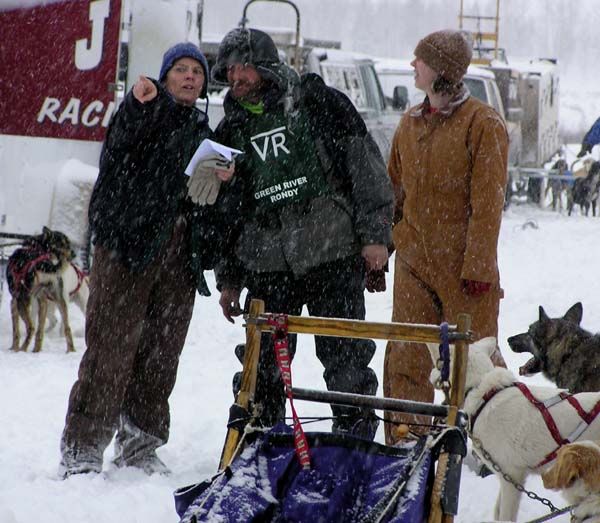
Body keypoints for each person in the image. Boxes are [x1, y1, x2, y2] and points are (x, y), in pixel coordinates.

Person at [59, 42, 234, 477]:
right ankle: (82, 446)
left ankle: (141, 443)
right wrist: (140, 103)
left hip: (177, 256)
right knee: (110, 351)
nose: (190, 77)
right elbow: (122, 141)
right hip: (128, 250)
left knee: (161, 355)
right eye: (181, 70)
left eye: (197, 71)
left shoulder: (203, 131)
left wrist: (221, 179)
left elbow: (204, 202)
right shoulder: (143, 108)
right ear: (165, 76)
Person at [212, 28, 393, 439]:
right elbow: (228, 214)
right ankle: (257, 447)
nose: (236, 77)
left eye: (245, 67)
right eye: (230, 70)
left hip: (333, 250)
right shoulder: (228, 132)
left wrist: (375, 236)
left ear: (267, 67)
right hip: (267, 264)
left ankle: (354, 448)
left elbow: (367, 172)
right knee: (262, 370)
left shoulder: (322, 103)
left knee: (346, 360)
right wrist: (229, 279)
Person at [383, 30, 509, 444]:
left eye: (419, 60)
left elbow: (487, 203)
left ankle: (491, 440)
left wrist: (477, 265)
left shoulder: (483, 123)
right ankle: (407, 436)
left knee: (473, 358)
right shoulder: (409, 122)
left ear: (440, 70)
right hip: (414, 261)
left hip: (463, 266)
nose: (412, 65)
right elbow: (393, 192)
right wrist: (383, 248)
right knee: (406, 353)